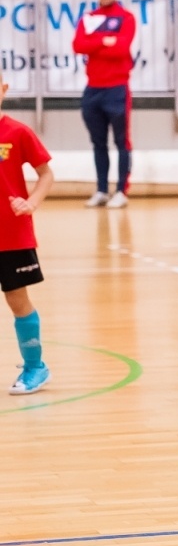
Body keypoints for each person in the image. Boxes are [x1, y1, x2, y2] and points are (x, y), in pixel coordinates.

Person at [0, 69, 57, 395]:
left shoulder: (17, 133)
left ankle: (36, 367)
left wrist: (32, 201)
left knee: (17, 298)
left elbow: (46, 174)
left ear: (4, 89)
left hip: (12, 235)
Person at [72, 0, 134, 210]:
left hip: (117, 88)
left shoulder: (125, 18)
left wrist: (94, 43)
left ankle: (121, 191)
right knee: (98, 143)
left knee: (122, 142)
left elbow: (121, 48)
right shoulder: (89, 18)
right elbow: (78, 45)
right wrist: (103, 40)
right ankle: (101, 189)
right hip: (93, 89)